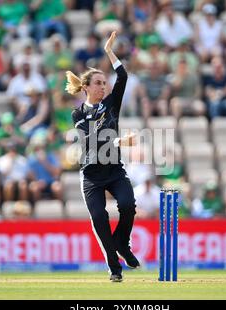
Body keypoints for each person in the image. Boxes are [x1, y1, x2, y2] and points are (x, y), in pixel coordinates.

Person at [66, 31, 140, 282]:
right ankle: (114, 267)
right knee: (99, 218)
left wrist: (110, 52)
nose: (103, 86)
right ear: (86, 87)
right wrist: (120, 140)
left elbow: (123, 75)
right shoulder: (78, 114)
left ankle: (123, 243)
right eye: (98, 83)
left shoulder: (111, 104)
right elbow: (91, 140)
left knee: (128, 205)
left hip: (114, 169)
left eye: (104, 83)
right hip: (91, 174)